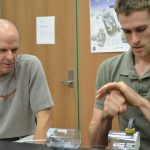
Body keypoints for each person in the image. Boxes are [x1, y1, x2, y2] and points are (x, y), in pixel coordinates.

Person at [89, 0, 150, 149]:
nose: (134, 40)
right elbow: (96, 144)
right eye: (127, 31)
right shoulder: (109, 68)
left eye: (141, 29)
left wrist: (139, 101)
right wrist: (106, 117)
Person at [0, 19, 54, 143]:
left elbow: (45, 117)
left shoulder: (29, 66)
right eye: (2, 50)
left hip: (24, 141)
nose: (10, 57)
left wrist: (37, 148)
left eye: (14, 50)